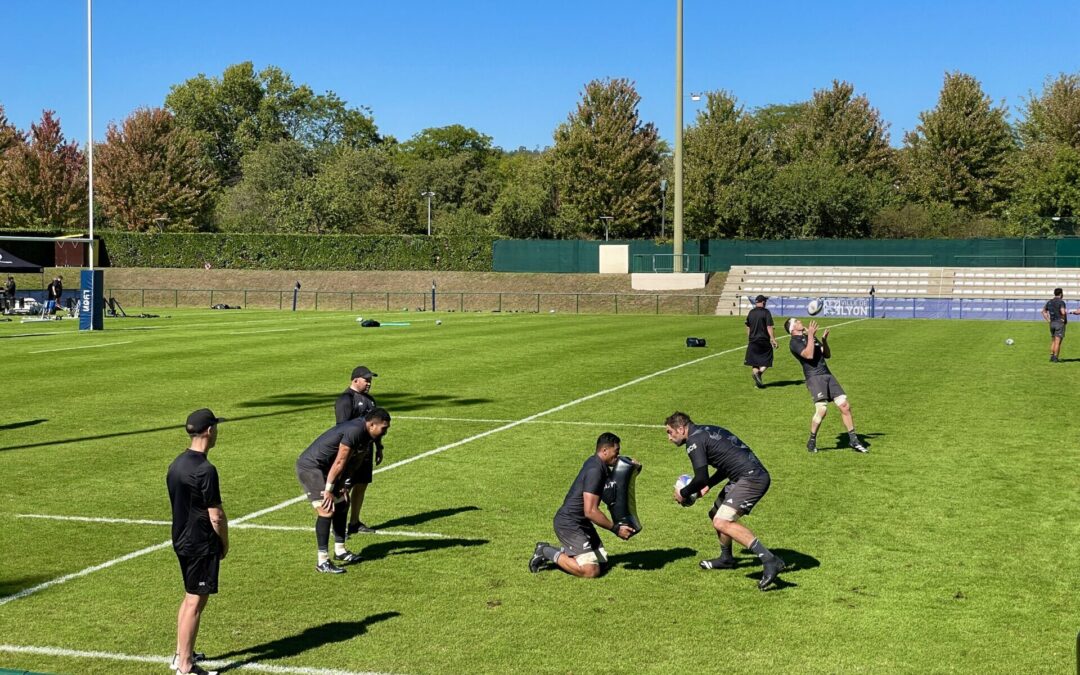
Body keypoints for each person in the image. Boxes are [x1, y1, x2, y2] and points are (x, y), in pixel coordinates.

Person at [663, 412, 785, 590]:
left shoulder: (693, 441)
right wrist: (709, 485)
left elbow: (700, 477)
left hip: (751, 479)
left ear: (681, 429)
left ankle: (770, 560)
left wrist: (683, 492)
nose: (669, 438)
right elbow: (725, 462)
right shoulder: (706, 431)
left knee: (722, 521)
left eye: (669, 432)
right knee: (715, 514)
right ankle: (726, 558)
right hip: (744, 476)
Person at [166, 409, 227, 675]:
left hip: (181, 538)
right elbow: (216, 515)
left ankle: (181, 654)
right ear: (209, 431)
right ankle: (186, 667)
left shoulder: (177, 463)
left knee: (190, 597)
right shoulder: (206, 470)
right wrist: (224, 542)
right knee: (195, 601)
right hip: (200, 542)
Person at [295, 408, 391, 574]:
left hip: (327, 469)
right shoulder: (355, 431)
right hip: (312, 467)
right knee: (326, 509)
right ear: (371, 424)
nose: (385, 431)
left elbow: (354, 462)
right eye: (384, 428)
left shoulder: (368, 435)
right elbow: (340, 461)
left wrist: (344, 485)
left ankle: (340, 550)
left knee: (343, 503)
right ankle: (322, 561)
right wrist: (328, 490)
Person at [528, 432, 635, 578]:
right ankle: (545, 551)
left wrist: (632, 468)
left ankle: (569, 551)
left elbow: (615, 485)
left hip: (581, 522)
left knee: (602, 563)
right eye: (616, 452)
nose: (618, 455)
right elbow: (590, 511)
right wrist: (616, 529)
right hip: (569, 523)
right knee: (591, 571)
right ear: (604, 451)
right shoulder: (595, 471)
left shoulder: (599, 464)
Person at [784, 317, 868, 453]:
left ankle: (853, 439)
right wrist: (811, 335)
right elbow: (809, 355)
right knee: (822, 410)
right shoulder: (794, 342)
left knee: (845, 405)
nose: (801, 322)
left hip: (828, 375)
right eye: (797, 321)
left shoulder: (810, 337)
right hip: (814, 377)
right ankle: (811, 440)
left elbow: (827, 354)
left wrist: (823, 341)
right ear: (792, 329)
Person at [333, 366, 383, 535]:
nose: (369, 383)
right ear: (355, 380)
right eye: (366, 380)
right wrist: (348, 453)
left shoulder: (370, 400)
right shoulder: (346, 399)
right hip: (351, 452)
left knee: (361, 485)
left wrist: (379, 447)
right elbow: (342, 428)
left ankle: (354, 522)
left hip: (366, 451)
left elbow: (375, 427)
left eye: (370, 380)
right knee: (344, 488)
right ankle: (338, 525)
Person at [744, 295, 779, 388]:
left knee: (754, 362)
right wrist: (773, 339)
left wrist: (750, 337)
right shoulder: (766, 312)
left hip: (752, 340)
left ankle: (757, 382)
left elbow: (747, 326)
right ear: (763, 302)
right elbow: (769, 327)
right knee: (768, 359)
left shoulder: (751, 312)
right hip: (763, 340)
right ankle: (759, 373)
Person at [1042, 288, 1067, 362]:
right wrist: (1064, 319)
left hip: (1052, 323)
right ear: (1061, 294)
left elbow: (1043, 311)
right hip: (1059, 323)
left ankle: (1051, 356)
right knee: (1058, 341)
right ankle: (1055, 357)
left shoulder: (1049, 302)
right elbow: (1063, 312)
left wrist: (1048, 320)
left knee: (1053, 340)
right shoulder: (1061, 302)